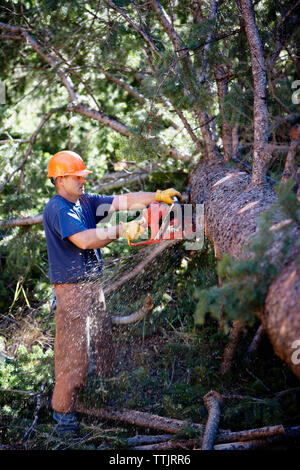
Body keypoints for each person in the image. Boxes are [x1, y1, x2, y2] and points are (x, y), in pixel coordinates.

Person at [43, 150, 181, 436]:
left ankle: (102, 397)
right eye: (77, 176)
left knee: (104, 346)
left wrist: (157, 196)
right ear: (60, 179)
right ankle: (64, 422)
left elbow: (124, 201)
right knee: (73, 359)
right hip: (72, 293)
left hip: (93, 289)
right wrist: (123, 229)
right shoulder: (58, 209)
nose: (82, 180)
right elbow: (84, 240)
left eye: (83, 176)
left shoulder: (85, 201)